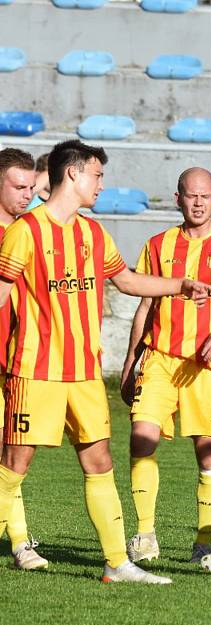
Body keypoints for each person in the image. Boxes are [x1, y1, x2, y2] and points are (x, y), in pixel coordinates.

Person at [0, 140, 209, 584]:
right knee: (13, 469)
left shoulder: (93, 233)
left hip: (86, 374)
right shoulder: (26, 232)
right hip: (36, 372)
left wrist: (179, 285)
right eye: (97, 175)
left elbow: (127, 280)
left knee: (100, 464)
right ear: (73, 174)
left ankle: (117, 563)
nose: (101, 183)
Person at [121, 167, 211, 564]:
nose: (198, 203)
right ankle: (145, 535)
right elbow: (146, 304)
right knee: (141, 438)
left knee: (207, 452)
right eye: (191, 195)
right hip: (160, 358)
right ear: (177, 198)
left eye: (206, 196)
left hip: (208, 365)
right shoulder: (158, 244)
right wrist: (131, 359)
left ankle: (203, 542)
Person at [0, 148, 47, 570]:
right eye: (18, 187)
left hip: (17, 364)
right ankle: (19, 543)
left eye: (31, 188)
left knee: (12, 455)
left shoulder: (30, 233)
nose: (27, 196)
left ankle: (19, 544)